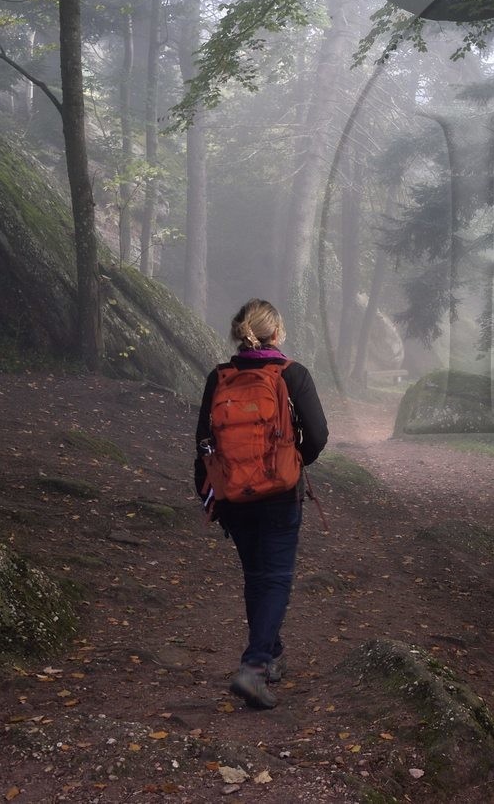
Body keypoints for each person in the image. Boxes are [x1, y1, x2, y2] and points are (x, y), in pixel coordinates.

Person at [194, 298, 328, 710]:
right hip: (279, 494)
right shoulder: (293, 375)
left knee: (257, 575)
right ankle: (253, 668)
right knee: (274, 578)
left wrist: (208, 493)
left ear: (240, 333)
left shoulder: (219, 378)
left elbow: (203, 440)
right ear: (277, 333)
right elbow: (319, 435)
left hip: (234, 495)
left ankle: (268, 654)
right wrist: (291, 460)